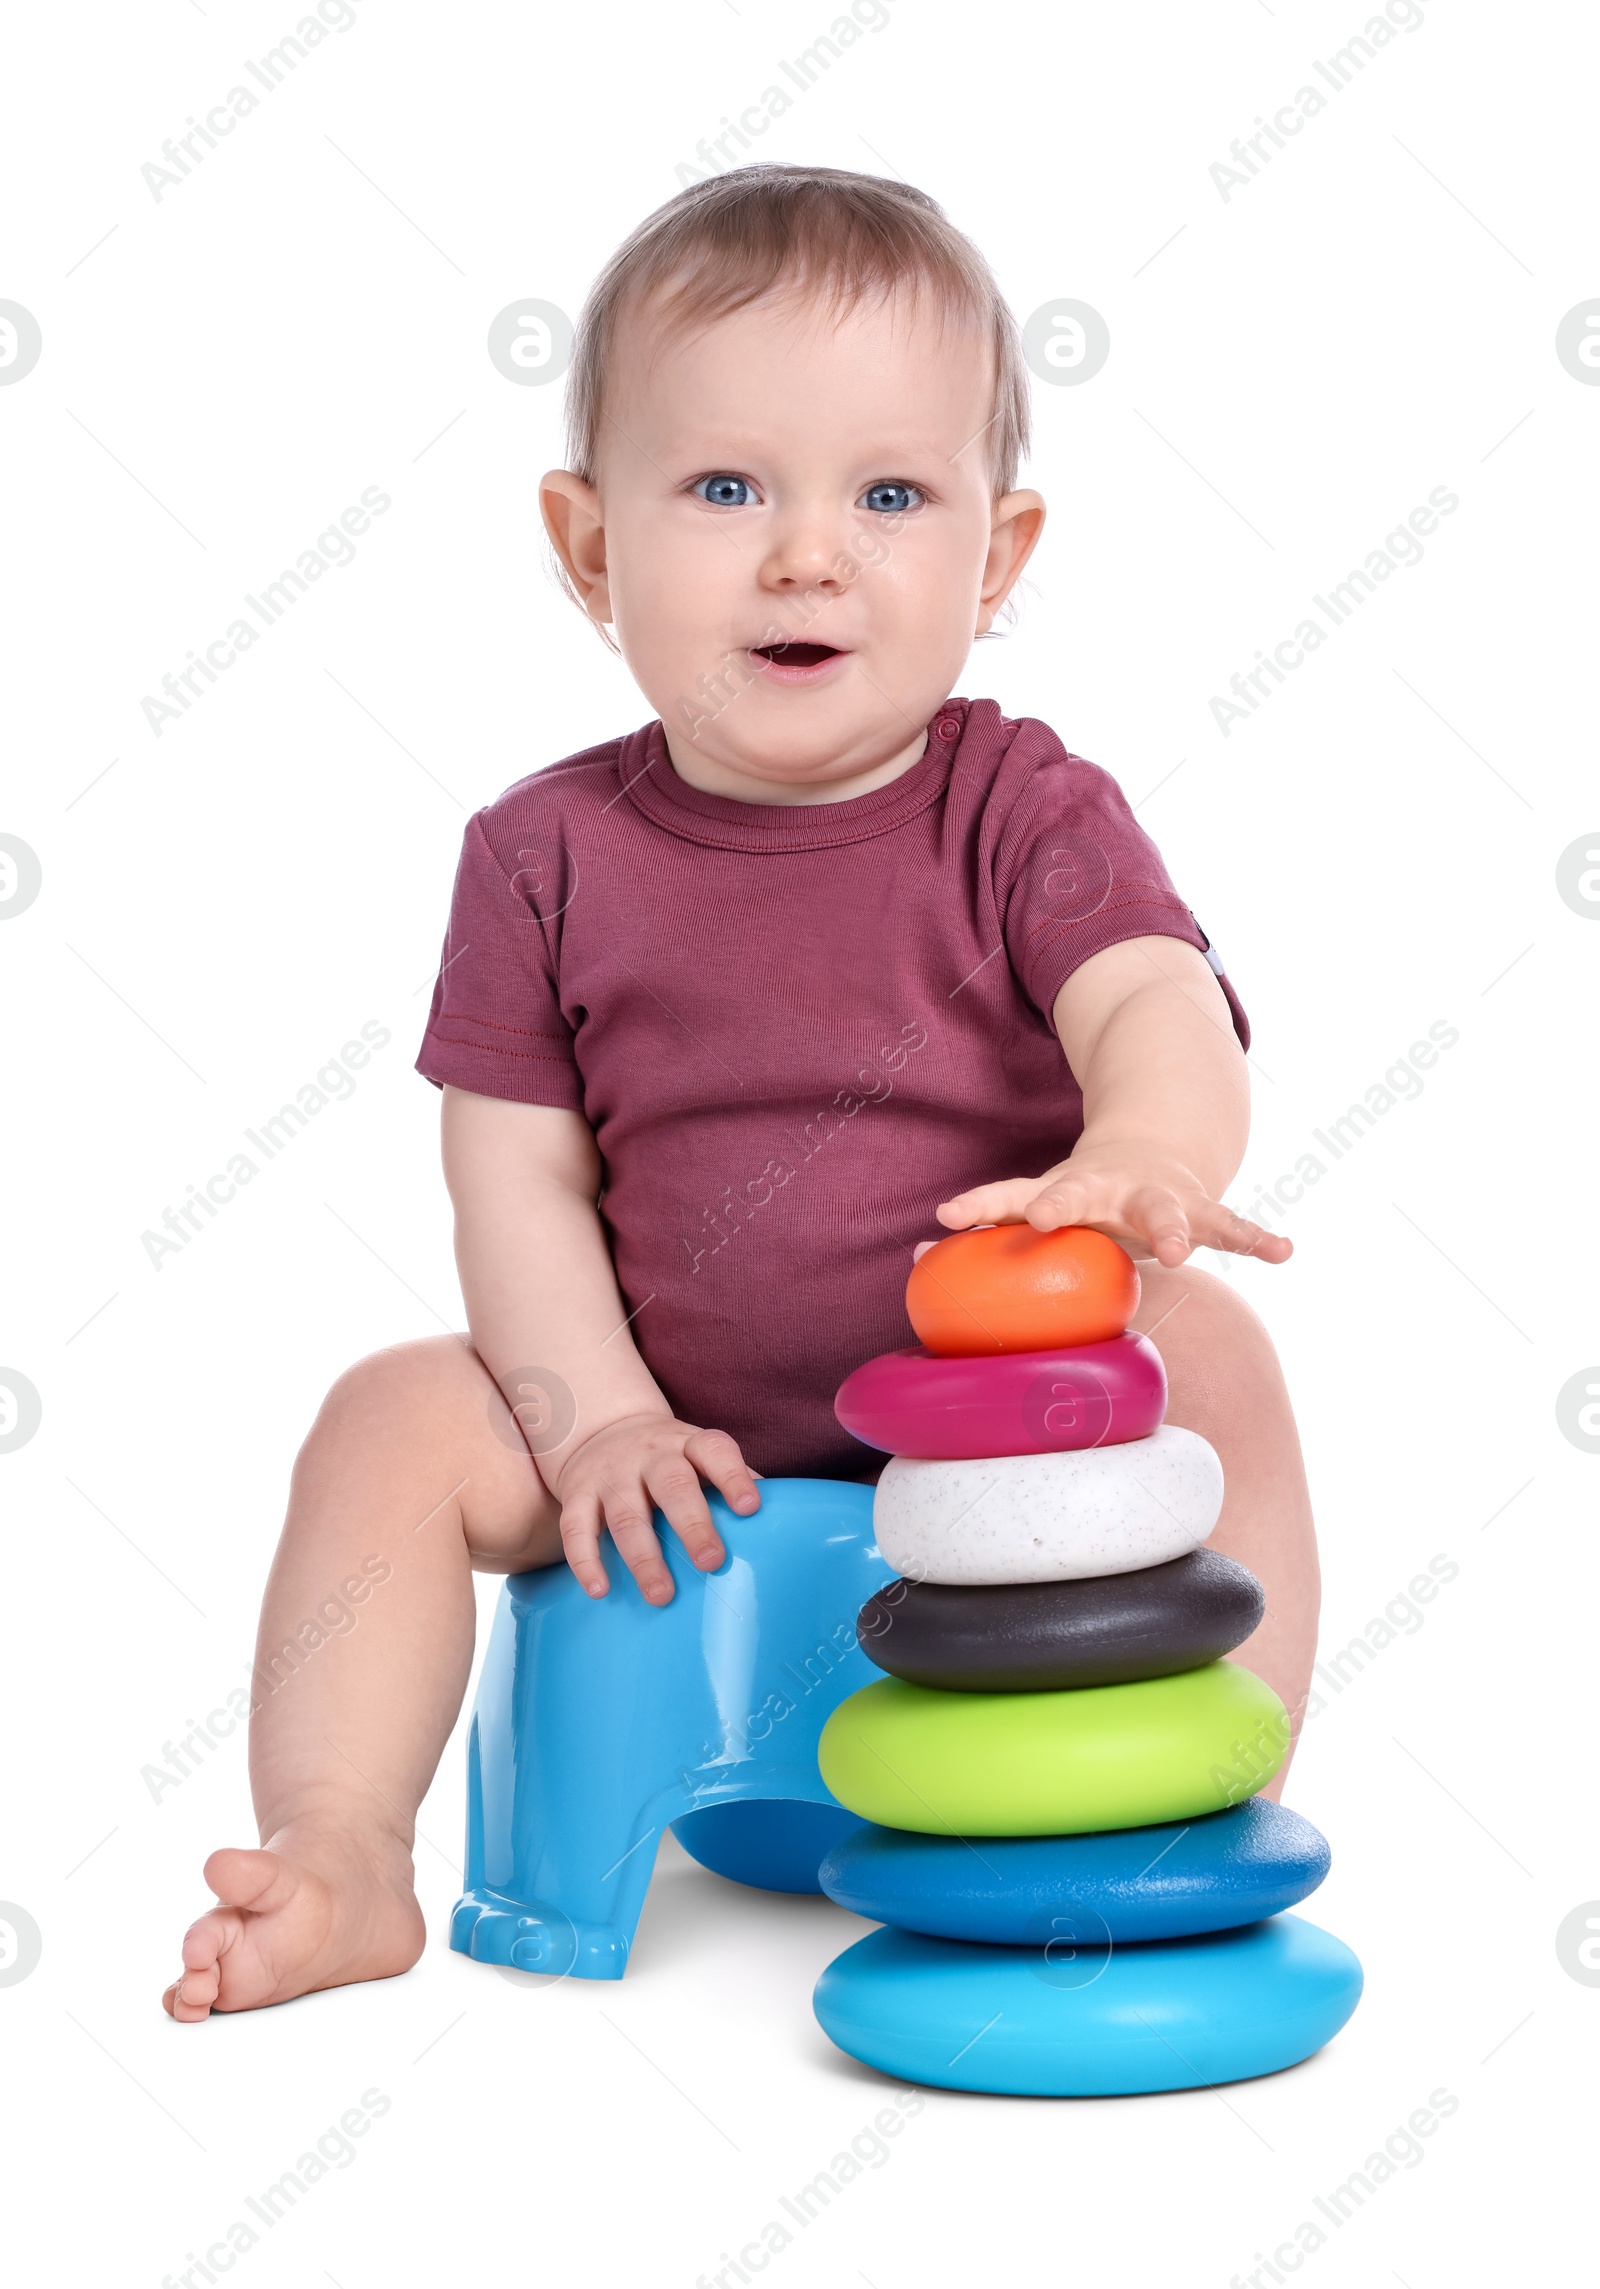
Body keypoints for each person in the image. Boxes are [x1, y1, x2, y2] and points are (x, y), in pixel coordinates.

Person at [163, 164, 1316, 2021]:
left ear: (996, 557)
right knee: (387, 1416)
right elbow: (515, 1182)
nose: (807, 553)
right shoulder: (539, 851)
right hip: (665, 1451)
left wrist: (1144, 1152)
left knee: (1219, 1356)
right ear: (588, 543)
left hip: (1005, 1442)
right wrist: (597, 1414)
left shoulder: (1017, 807)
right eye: (724, 488)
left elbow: (1154, 998)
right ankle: (344, 1845)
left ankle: (1183, 1806)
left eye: (889, 494)